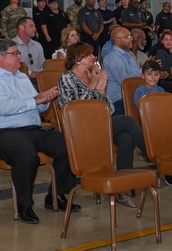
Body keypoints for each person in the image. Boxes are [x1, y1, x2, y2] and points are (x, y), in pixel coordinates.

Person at [0, 39, 79, 224]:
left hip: (31, 130)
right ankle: (25, 205)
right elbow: (4, 107)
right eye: (15, 53)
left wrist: (46, 98)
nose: (19, 56)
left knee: (67, 144)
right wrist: (36, 100)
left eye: (18, 52)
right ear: (0, 58)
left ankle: (56, 195)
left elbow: (36, 106)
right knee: (26, 154)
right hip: (1, 133)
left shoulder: (22, 77)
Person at [57, 43, 146, 208]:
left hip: (100, 124)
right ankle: (151, 150)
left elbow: (109, 110)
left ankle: (122, 189)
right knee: (127, 120)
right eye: (89, 55)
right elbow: (75, 110)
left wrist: (102, 91)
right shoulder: (67, 78)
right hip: (80, 128)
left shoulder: (92, 76)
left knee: (126, 138)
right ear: (78, 59)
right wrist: (93, 85)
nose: (94, 57)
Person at [103, 26, 141, 115]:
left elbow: (135, 76)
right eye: (127, 37)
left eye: (131, 36)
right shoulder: (113, 57)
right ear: (117, 40)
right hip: (119, 100)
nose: (131, 39)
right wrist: (144, 71)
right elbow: (126, 82)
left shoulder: (127, 55)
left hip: (129, 95)